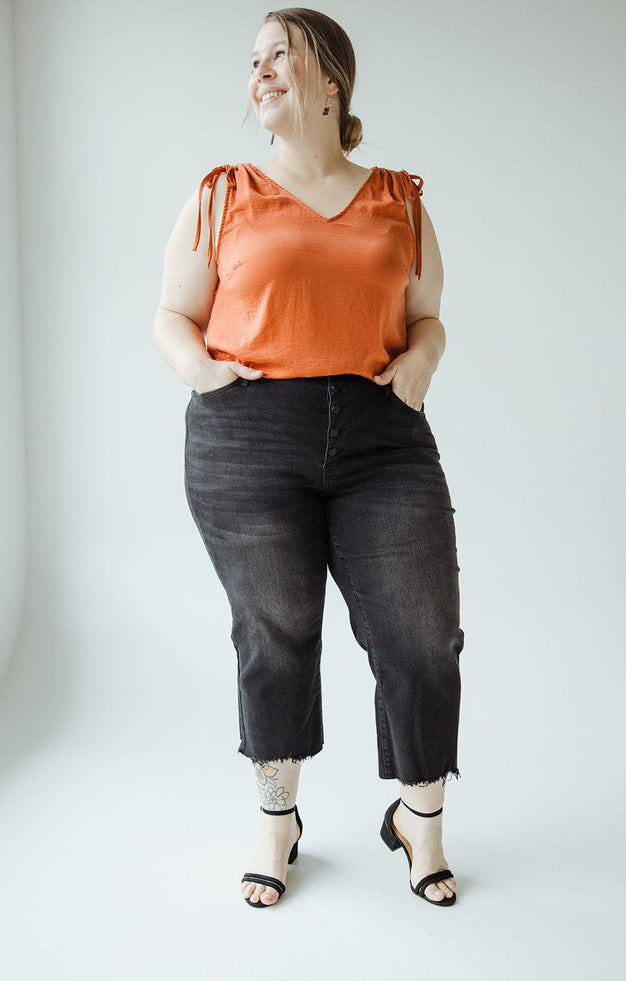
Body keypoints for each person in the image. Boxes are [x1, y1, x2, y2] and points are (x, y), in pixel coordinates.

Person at [153, 7, 464, 909]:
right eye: (250, 61)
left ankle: (420, 822)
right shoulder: (222, 192)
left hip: (380, 437)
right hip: (248, 432)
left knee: (420, 637)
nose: (258, 72)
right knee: (277, 636)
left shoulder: (398, 198)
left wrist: (419, 363)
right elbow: (171, 312)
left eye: (277, 55)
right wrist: (204, 374)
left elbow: (426, 315)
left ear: (330, 77)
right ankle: (276, 822)